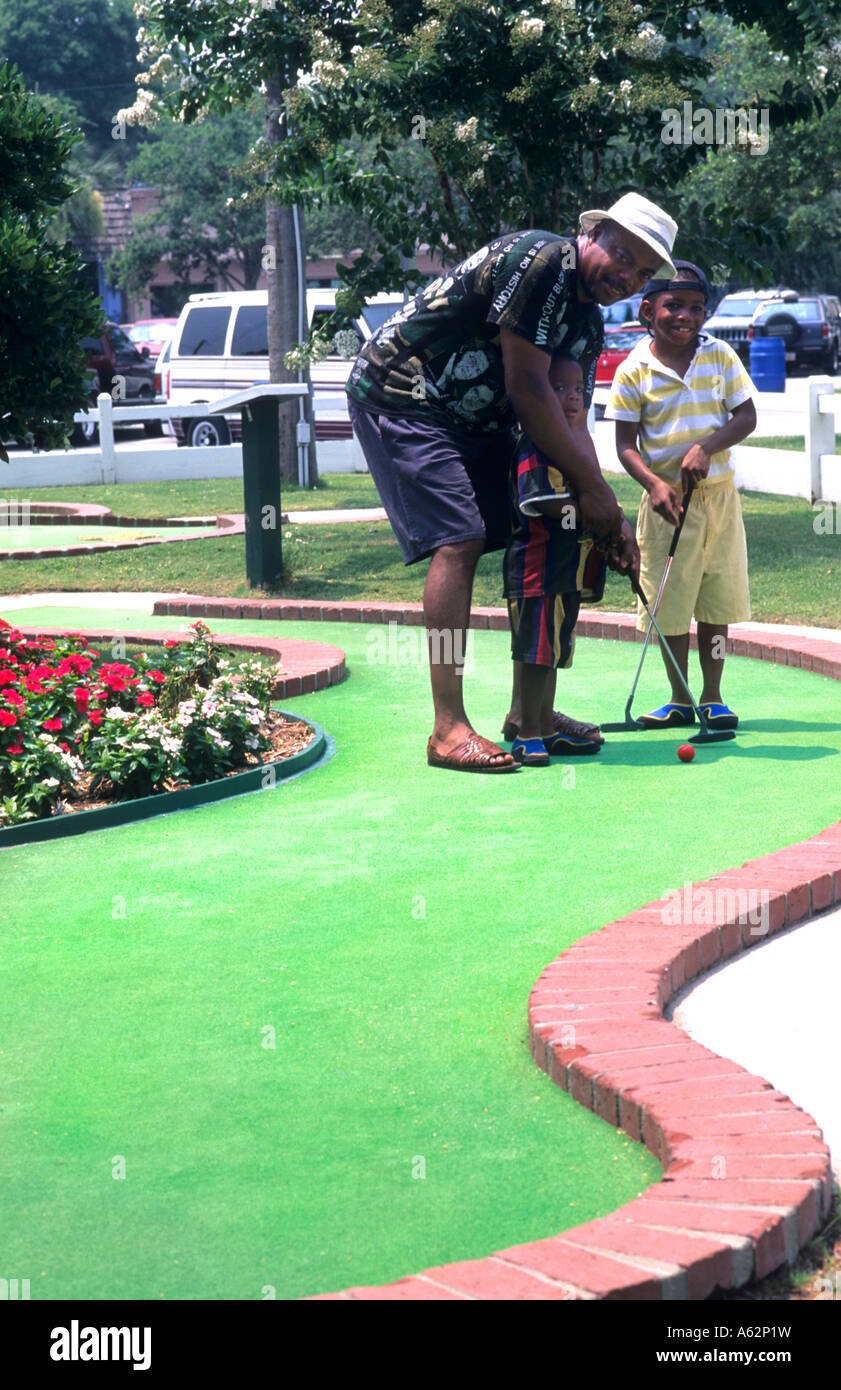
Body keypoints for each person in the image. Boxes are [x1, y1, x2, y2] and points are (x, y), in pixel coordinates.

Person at [347, 194, 678, 770]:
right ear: (592, 233)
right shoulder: (543, 260)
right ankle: (447, 729)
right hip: (404, 395)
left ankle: (530, 716)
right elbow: (528, 386)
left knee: (544, 534)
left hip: (478, 418)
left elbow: (569, 413)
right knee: (459, 539)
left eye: (643, 273)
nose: (627, 277)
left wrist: (603, 508)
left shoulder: (587, 321)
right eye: (622, 256)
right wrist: (595, 494)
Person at [605, 260, 757, 729]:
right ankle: (679, 697)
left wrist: (705, 447)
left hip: (718, 499)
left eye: (695, 307)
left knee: (717, 600)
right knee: (668, 605)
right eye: (673, 306)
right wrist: (653, 484)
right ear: (648, 309)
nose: (685, 316)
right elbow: (625, 446)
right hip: (666, 504)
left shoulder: (720, 356)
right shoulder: (633, 369)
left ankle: (712, 695)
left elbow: (746, 417)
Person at [502, 354, 608, 765]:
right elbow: (542, 501)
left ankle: (544, 727)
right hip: (535, 571)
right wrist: (593, 513)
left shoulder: (570, 446)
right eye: (559, 388)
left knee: (553, 653)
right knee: (534, 653)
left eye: (577, 389)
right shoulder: (537, 441)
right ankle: (527, 733)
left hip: (562, 572)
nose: (571, 397)